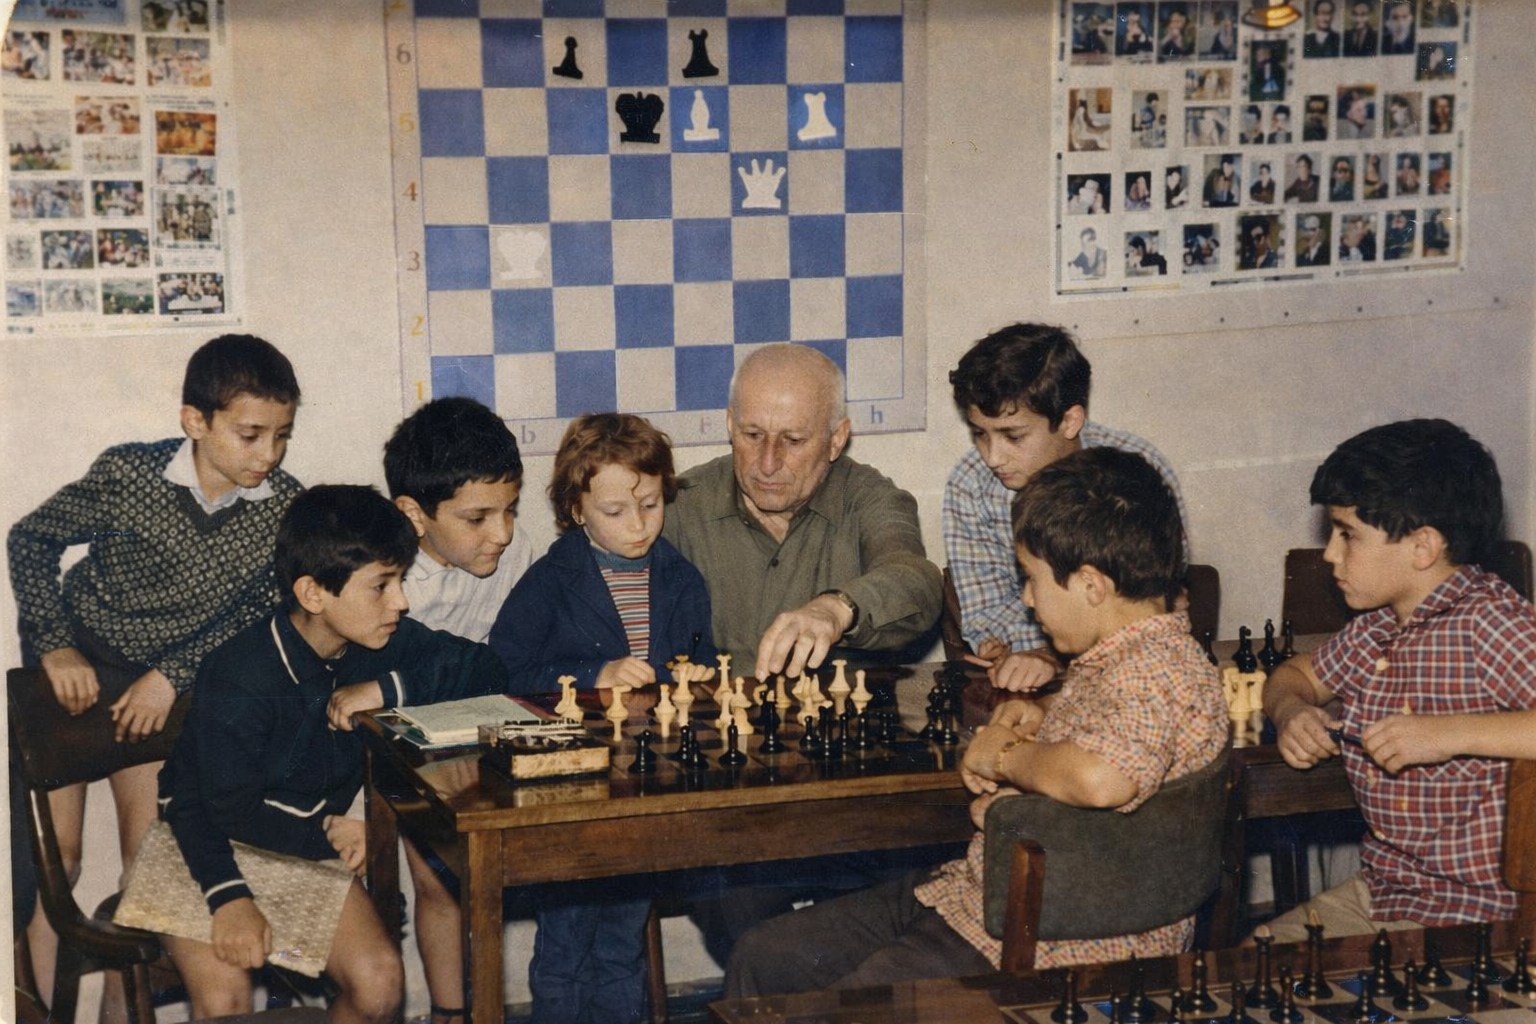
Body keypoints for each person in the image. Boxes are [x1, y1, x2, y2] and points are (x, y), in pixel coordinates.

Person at [726, 447, 1226, 997]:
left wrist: (1002, 755)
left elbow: (1101, 778)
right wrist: (1041, 716)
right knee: (763, 955)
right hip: (986, 894)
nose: (1029, 600)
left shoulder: (1152, 669)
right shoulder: (1136, 657)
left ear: (1091, 585)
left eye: (1032, 579)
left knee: (851, 1003)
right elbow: (1118, 736)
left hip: (1055, 935)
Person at [7, 333, 302, 1002]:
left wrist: (176, 672)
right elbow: (30, 538)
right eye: (252, 435)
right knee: (63, 858)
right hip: (78, 669)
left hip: (163, 687)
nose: (270, 455)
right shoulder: (128, 476)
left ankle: (124, 1011)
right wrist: (53, 642)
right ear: (194, 422)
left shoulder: (283, 507)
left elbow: (262, 607)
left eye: (282, 436)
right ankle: (30, 1006)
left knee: (153, 871)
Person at [153, 485, 508, 1019]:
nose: (401, 602)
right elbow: (209, 805)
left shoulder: (375, 641)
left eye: (401, 581)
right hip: (199, 847)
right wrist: (230, 897)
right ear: (313, 593)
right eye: (381, 586)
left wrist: (387, 690)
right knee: (226, 1001)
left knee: (380, 984)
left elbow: (487, 669)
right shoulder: (239, 672)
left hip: (298, 846)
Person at [1260, 420, 1536, 942]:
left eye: (1347, 535)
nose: (1329, 554)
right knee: (1249, 968)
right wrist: (1291, 710)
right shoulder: (1379, 627)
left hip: (1481, 915)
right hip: (1389, 891)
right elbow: (1292, 675)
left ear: (1422, 547)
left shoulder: (1490, 622)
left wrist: (1449, 734)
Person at [490, 414, 713, 1024]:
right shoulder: (549, 582)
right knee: (563, 945)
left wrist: (699, 676)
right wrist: (593, 676)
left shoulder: (682, 578)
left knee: (621, 941)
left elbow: (701, 660)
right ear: (576, 508)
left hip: (644, 783)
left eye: (649, 504)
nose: (638, 525)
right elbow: (505, 671)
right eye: (616, 511)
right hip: (570, 788)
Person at [663, 342, 941, 684]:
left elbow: (915, 580)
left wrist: (837, 609)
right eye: (752, 435)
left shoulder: (871, 499)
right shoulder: (678, 505)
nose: (768, 463)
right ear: (730, 425)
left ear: (836, 439)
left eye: (793, 441)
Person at [382, 395, 532, 1024]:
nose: (501, 532)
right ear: (415, 515)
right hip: (397, 746)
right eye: (477, 518)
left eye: (511, 510)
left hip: (493, 730)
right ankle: (449, 1013)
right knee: (440, 878)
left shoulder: (513, 549)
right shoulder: (386, 579)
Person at [942, 323, 1186, 692]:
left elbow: (1158, 599)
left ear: (1070, 421)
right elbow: (987, 614)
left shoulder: (1138, 470)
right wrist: (1033, 652)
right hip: (1030, 683)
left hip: (1131, 676)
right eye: (980, 433)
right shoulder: (970, 483)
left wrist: (1045, 654)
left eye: (1014, 436)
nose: (992, 456)